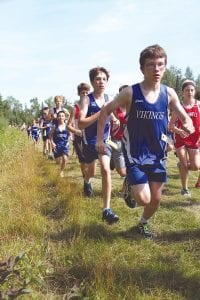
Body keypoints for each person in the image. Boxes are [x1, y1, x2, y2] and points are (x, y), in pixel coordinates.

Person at [96, 44, 194, 239]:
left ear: (165, 67)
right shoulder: (131, 93)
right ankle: (129, 186)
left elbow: (185, 117)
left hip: (158, 154)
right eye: (151, 65)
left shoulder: (169, 93)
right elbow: (106, 111)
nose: (156, 69)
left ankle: (143, 224)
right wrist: (100, 138)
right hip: (135, 153)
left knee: (155, 199)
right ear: (142, 69)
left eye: (160, 65)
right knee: (144, 198)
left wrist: (188, 124)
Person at [78, 66, 119, 225]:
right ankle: (87, 182)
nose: (101, 81)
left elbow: (111, 114)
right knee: (91, 171)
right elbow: (81, 123)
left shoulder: (110, 99)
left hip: (104, 139)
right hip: (90, 140)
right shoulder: (86, 99)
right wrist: (101, 112)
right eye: (97, 79)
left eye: (104, 79)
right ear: (92, 82)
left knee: (106, 168)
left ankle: (106, 209)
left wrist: (114, 118)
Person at [169, 80, 200, 196]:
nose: (190, 92)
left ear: (195, 92)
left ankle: (182, 166)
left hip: (194, 140)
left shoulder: (199, 105)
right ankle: (184, 189)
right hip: (180, 138)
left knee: (196, 166)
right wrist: (179, 131)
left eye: (192, 90)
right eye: (187, 90)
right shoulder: (178, 108)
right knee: (184, 164)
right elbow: (170, 126)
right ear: (182, 93)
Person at [67, 83, 91, 179]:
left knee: (90, 160)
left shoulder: (92, 106)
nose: (85, 95)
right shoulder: (75, 108)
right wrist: (76, 131)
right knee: (83, 160)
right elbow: (68, 125)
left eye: (86, 93)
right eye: (82, 93)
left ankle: (88, 177)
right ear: (78, 94)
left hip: (90, 136)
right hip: (79, 136)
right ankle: (86, 180)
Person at [50, 111, 70, 177]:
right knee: (58, 161)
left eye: (62, 116)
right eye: (59, 116)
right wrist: (52, 143)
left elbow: (70, 135)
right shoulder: (54, 126)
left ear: (65, 117)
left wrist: (68, 141)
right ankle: (59, 168)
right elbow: (50, 135)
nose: (61, 117)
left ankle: (61, 171)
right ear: (57, 117)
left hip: (65, 145)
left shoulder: (67, 125)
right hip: (57, 145)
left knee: (64, 159)